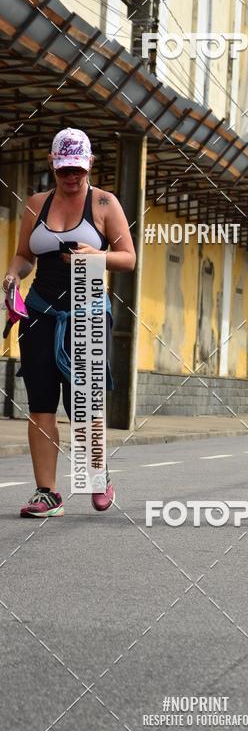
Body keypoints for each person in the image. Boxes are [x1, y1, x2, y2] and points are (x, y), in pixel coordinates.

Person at [2, 128, 136, 517]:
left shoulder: (106, 204)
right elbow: (24, 255)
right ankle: (47, 492)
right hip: (40, 311)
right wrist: (12, 278)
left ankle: (96, 475)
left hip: (89, 312)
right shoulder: (35, 204)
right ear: (53, 165)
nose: (71, 177)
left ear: (90, 164)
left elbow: (128, 258)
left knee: (84, 403)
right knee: (41, 402)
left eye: (77, 169)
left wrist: (97, 256)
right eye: (64, 171)